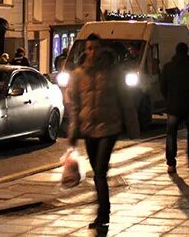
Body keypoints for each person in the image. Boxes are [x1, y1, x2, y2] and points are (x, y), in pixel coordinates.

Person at [67, 33, 136, 232]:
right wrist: (73, 132)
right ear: (85, 50)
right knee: (97, 172)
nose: (92, 52)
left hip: (109, 127)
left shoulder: (113, 72)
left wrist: (132, 126)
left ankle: (103, 213)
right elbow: (75, 106)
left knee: (99, 171)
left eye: (95, 48)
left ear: (101, 49)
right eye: (89, 48)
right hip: (89, 128)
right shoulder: (79, 74)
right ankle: (102, 210)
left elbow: (126, 100)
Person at [160, 42, 189, 174]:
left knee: (171, 135)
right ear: (187, 52)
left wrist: (168, 99)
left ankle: (171, 163)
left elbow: (162, 87)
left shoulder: (168, 68)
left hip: (173, 107)